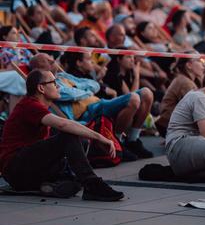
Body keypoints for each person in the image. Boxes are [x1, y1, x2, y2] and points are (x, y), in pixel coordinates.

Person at [0, 69, 123, 201]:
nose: (58, 86)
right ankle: (91, 184)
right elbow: (64, 125)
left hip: (28, 166)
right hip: (15, 169)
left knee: (82, 141)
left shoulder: (38, 106)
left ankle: (53, 184)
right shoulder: (29, 105)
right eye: (53, 82)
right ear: (41, 88)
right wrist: (100, 137)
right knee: (68, 136)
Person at [29, 53, 154, 159]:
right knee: (133, 99)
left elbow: (94, 84)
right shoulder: (49, 85)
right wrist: (87, 92)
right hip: (88, 111)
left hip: (99, 103)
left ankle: (133, 139)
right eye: (48, 60)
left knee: (147, 93)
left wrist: (82, 90)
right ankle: (119, 142)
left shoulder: (63, 76)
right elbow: (69, 94)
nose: (53, 60)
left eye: (52, 58)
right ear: (38, 68)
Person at [156, 56, 205, 136]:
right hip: (171, 126)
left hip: (168, 124)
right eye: (200, 61)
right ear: (189, 65)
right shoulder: (185, 82)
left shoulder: (184, 79)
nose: (203, 65)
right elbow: (198, 108)